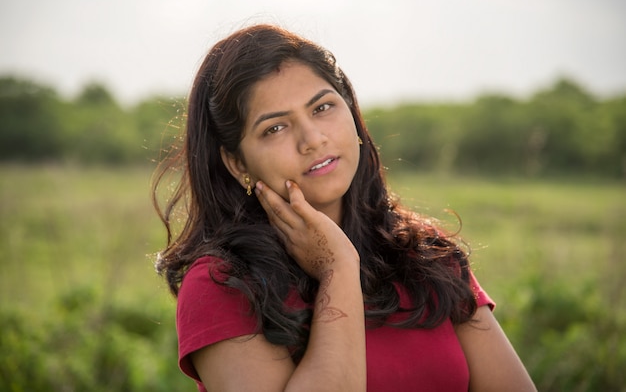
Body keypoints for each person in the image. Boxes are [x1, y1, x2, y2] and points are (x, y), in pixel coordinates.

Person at [152, 23, 536, 392]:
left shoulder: (425, 254)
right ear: (237, 164)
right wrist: (338, 269)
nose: (313, 139)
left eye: (322, 108)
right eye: (275, 128)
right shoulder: (221, 285)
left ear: (351, 111)